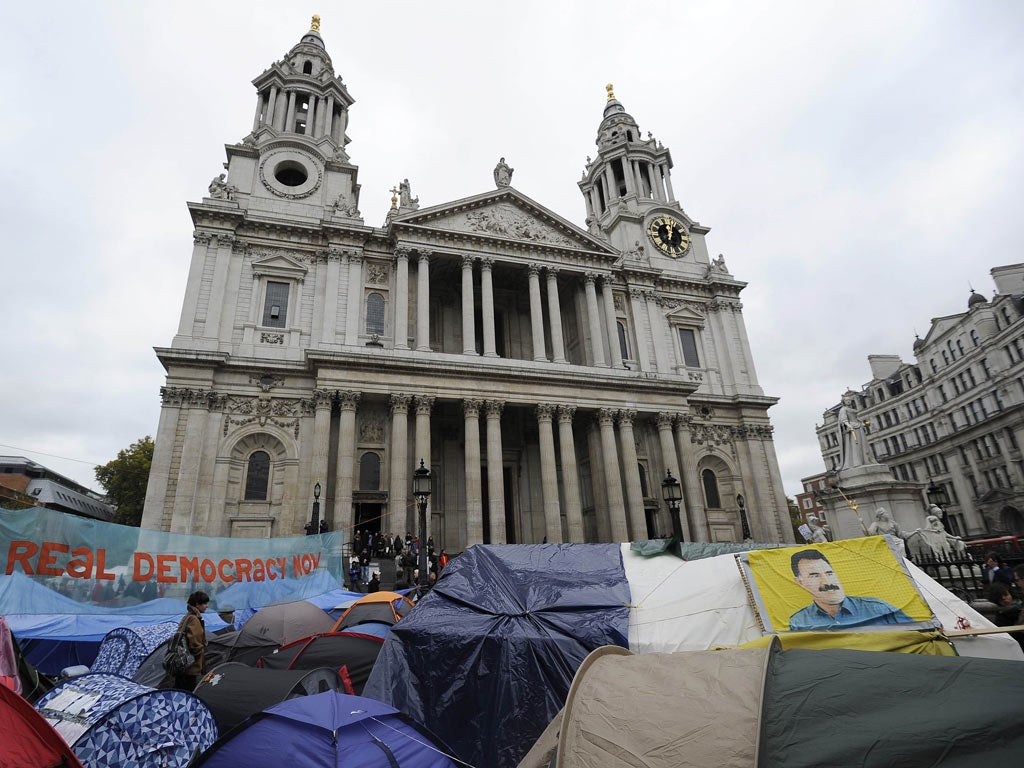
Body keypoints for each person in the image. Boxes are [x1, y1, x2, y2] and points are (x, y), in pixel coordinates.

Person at [788, 549, 914, 631]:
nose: (827, 582)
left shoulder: (879, 609)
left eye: (829, 573)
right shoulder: (799, 622)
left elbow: (917, 636)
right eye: (814, 575)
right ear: (800, 582)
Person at [175, 591, 209, 690]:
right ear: (197, 604)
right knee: (188, 691)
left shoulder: (187, 617)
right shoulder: (194, 619)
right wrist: (199, 654)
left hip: (182, 663)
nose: (207, 606)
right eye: (205, 603)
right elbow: (195, 643)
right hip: (190, 665)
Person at [836, 397, 867, 470]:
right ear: (844, 402)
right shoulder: (843, 409)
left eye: (849, 400)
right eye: (847, 400)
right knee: (854, 445)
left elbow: (857, 418)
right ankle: (856, 462)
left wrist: (861, 423)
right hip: (852, 428)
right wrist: (849, 425)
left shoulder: (851, 409)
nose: (848, 401)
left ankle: (864, 460)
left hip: (858, 426)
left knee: (861, 444)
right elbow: (844, 420)